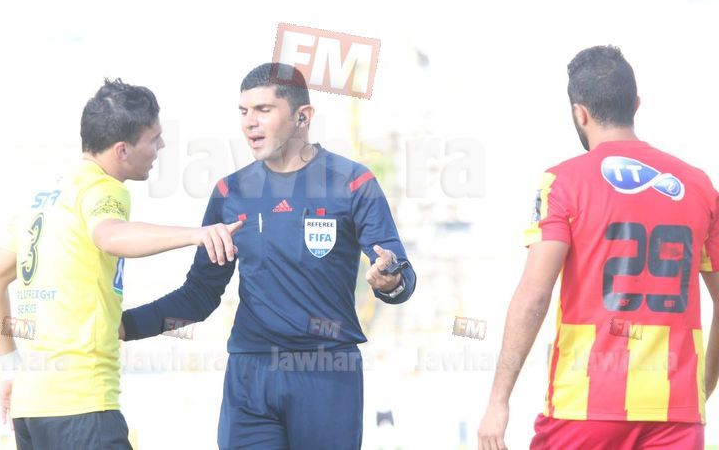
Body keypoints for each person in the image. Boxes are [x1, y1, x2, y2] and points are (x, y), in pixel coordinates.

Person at [120, 63, 417, 449]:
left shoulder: (352, 182)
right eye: (244, 111)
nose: (250, 122)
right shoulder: (230, 192)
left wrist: (389, 279)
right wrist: (122, 326)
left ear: (302, 116)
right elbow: (199, 295)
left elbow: (399, 271)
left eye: (263, 110)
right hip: (250, 373)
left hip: (326, 372)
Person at [0, 79, 240, 450]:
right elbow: (109, 236)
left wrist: (9, 367)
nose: (162, 146)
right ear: (122, 150)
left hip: (31, 409)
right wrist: (196, 234)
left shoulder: (43, 197)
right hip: (83, 408)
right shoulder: (104, 188)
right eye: (154, 138)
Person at [477, 46, 719, 450]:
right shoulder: (699, 186)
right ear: (635, 105)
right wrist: (701, 391)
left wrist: (498, 401)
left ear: (580, 113)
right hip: (676, 414)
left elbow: (534, 296)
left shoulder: (563, 182)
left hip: (585, 407)